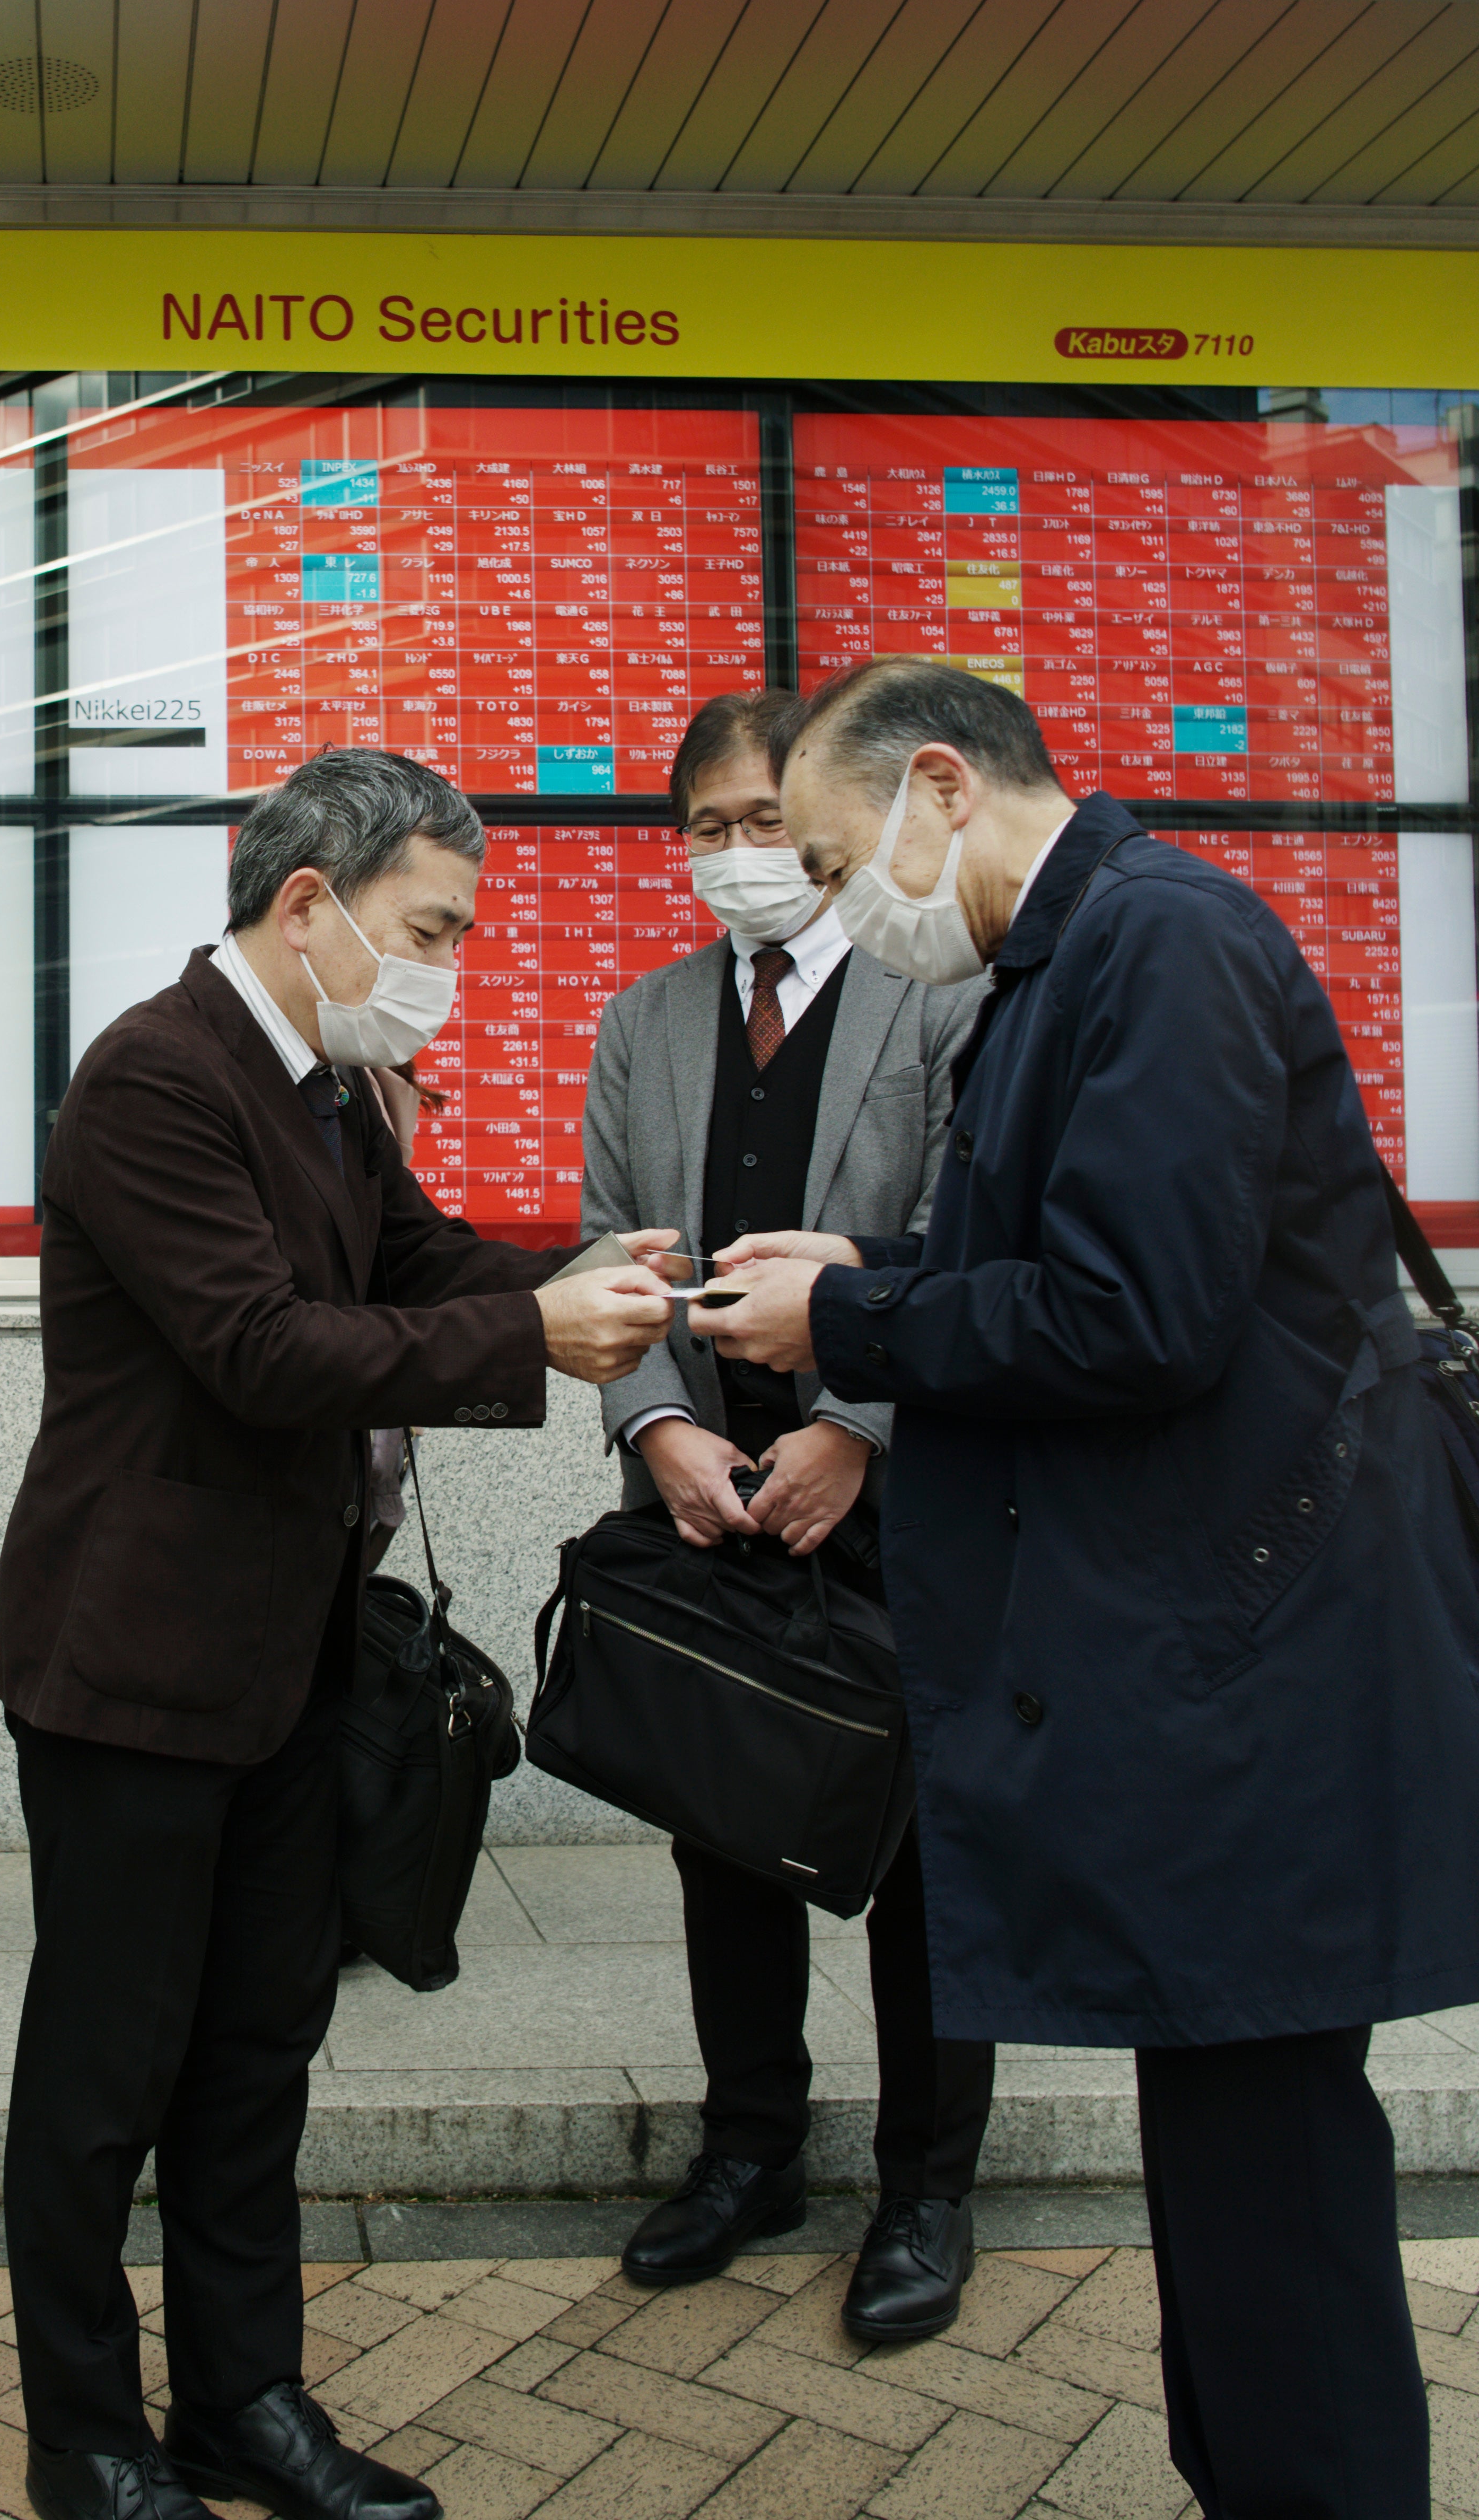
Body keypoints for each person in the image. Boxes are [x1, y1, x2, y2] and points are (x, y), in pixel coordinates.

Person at [688, 660, 1479, 2513]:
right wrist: (875, 1260)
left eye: (834, 860)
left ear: (937, 786)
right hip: (1220, 1671)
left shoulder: (1162, 946)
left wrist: (851, 1311)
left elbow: (1132, 1312)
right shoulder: (1073, 961)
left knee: (1277, 2190)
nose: (836, 906)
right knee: (1233, 2175)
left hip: (1266, 1688)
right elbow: (1089, 1256)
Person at [0, 748, 675, 2520]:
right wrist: (538, 1332)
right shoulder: (157, 1075)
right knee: (104, 2071)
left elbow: (420, 1262)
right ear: (307, 906)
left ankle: (246, 2402)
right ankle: (85, 2434)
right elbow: (267, 1351)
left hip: (291, 1647)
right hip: (134, 1659)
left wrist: (624, 1274)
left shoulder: (335, 1085)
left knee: (257, 2052)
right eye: (427, 927)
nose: (447, 964)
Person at [576, 688, 996, 2339]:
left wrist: (855, 1435)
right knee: (724, 1825)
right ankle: (751, 2149)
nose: (741, 859)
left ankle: (925, 2187)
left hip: (893, 1490)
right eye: (708, 830)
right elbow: (611, 1243)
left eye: (767, 824)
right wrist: (661, 1424)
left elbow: (970, 1244)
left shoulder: (936, 1002)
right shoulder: (647, 1018)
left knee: (924, 1860)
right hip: (702, 1493)